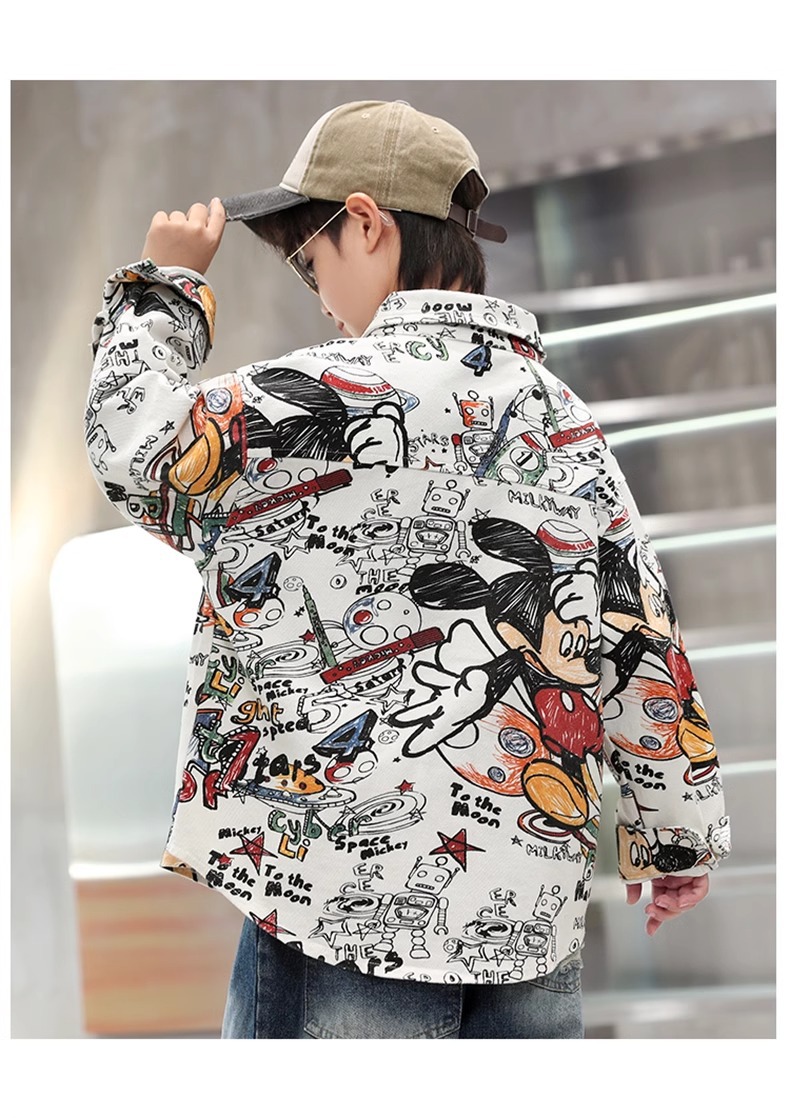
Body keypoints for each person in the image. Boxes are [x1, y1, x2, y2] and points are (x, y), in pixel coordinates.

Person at [85, 99, 731, 1040]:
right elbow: (640, 637)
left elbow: (134, 451)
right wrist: (674, 835)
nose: (319, 296)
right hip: (528, 915)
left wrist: (167, 288)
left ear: (366, 222)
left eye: (311, 263)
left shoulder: (314, 397)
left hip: (335, 903)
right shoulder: (565, 421)